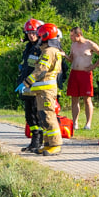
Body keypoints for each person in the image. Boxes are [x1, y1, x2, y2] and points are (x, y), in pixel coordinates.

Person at [23, 23, 65, 156]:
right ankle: (47, 144)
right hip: (42, 91)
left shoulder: (49, 51)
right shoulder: (49, 50)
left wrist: (27, 82)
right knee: (43, 117)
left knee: (49, 117)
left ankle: (55, 145)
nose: (38, 38)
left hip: (47, 91)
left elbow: (41, 70)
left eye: (40, 35)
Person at [15, 18, 44, 152]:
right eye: (28, 33)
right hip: (26, 85)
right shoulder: (29, 47)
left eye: (33, 32)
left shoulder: (42, 48)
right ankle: (34, 141)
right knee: (29, 115)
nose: (31, 35)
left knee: (37, 114)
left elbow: (40, 69)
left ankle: (39, 141)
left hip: (37, 87)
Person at [67, 27, 99, 130]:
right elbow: (71, 59)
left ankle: (88, 124)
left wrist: (94, 65)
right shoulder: (73, 45)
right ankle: (75, 123)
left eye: (72, 36)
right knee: (74, 99)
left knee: (87, 99)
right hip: (74, 73)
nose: (71, 38)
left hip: (85, 74)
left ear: (79, 35)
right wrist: (64, 55)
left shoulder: (89, 44)